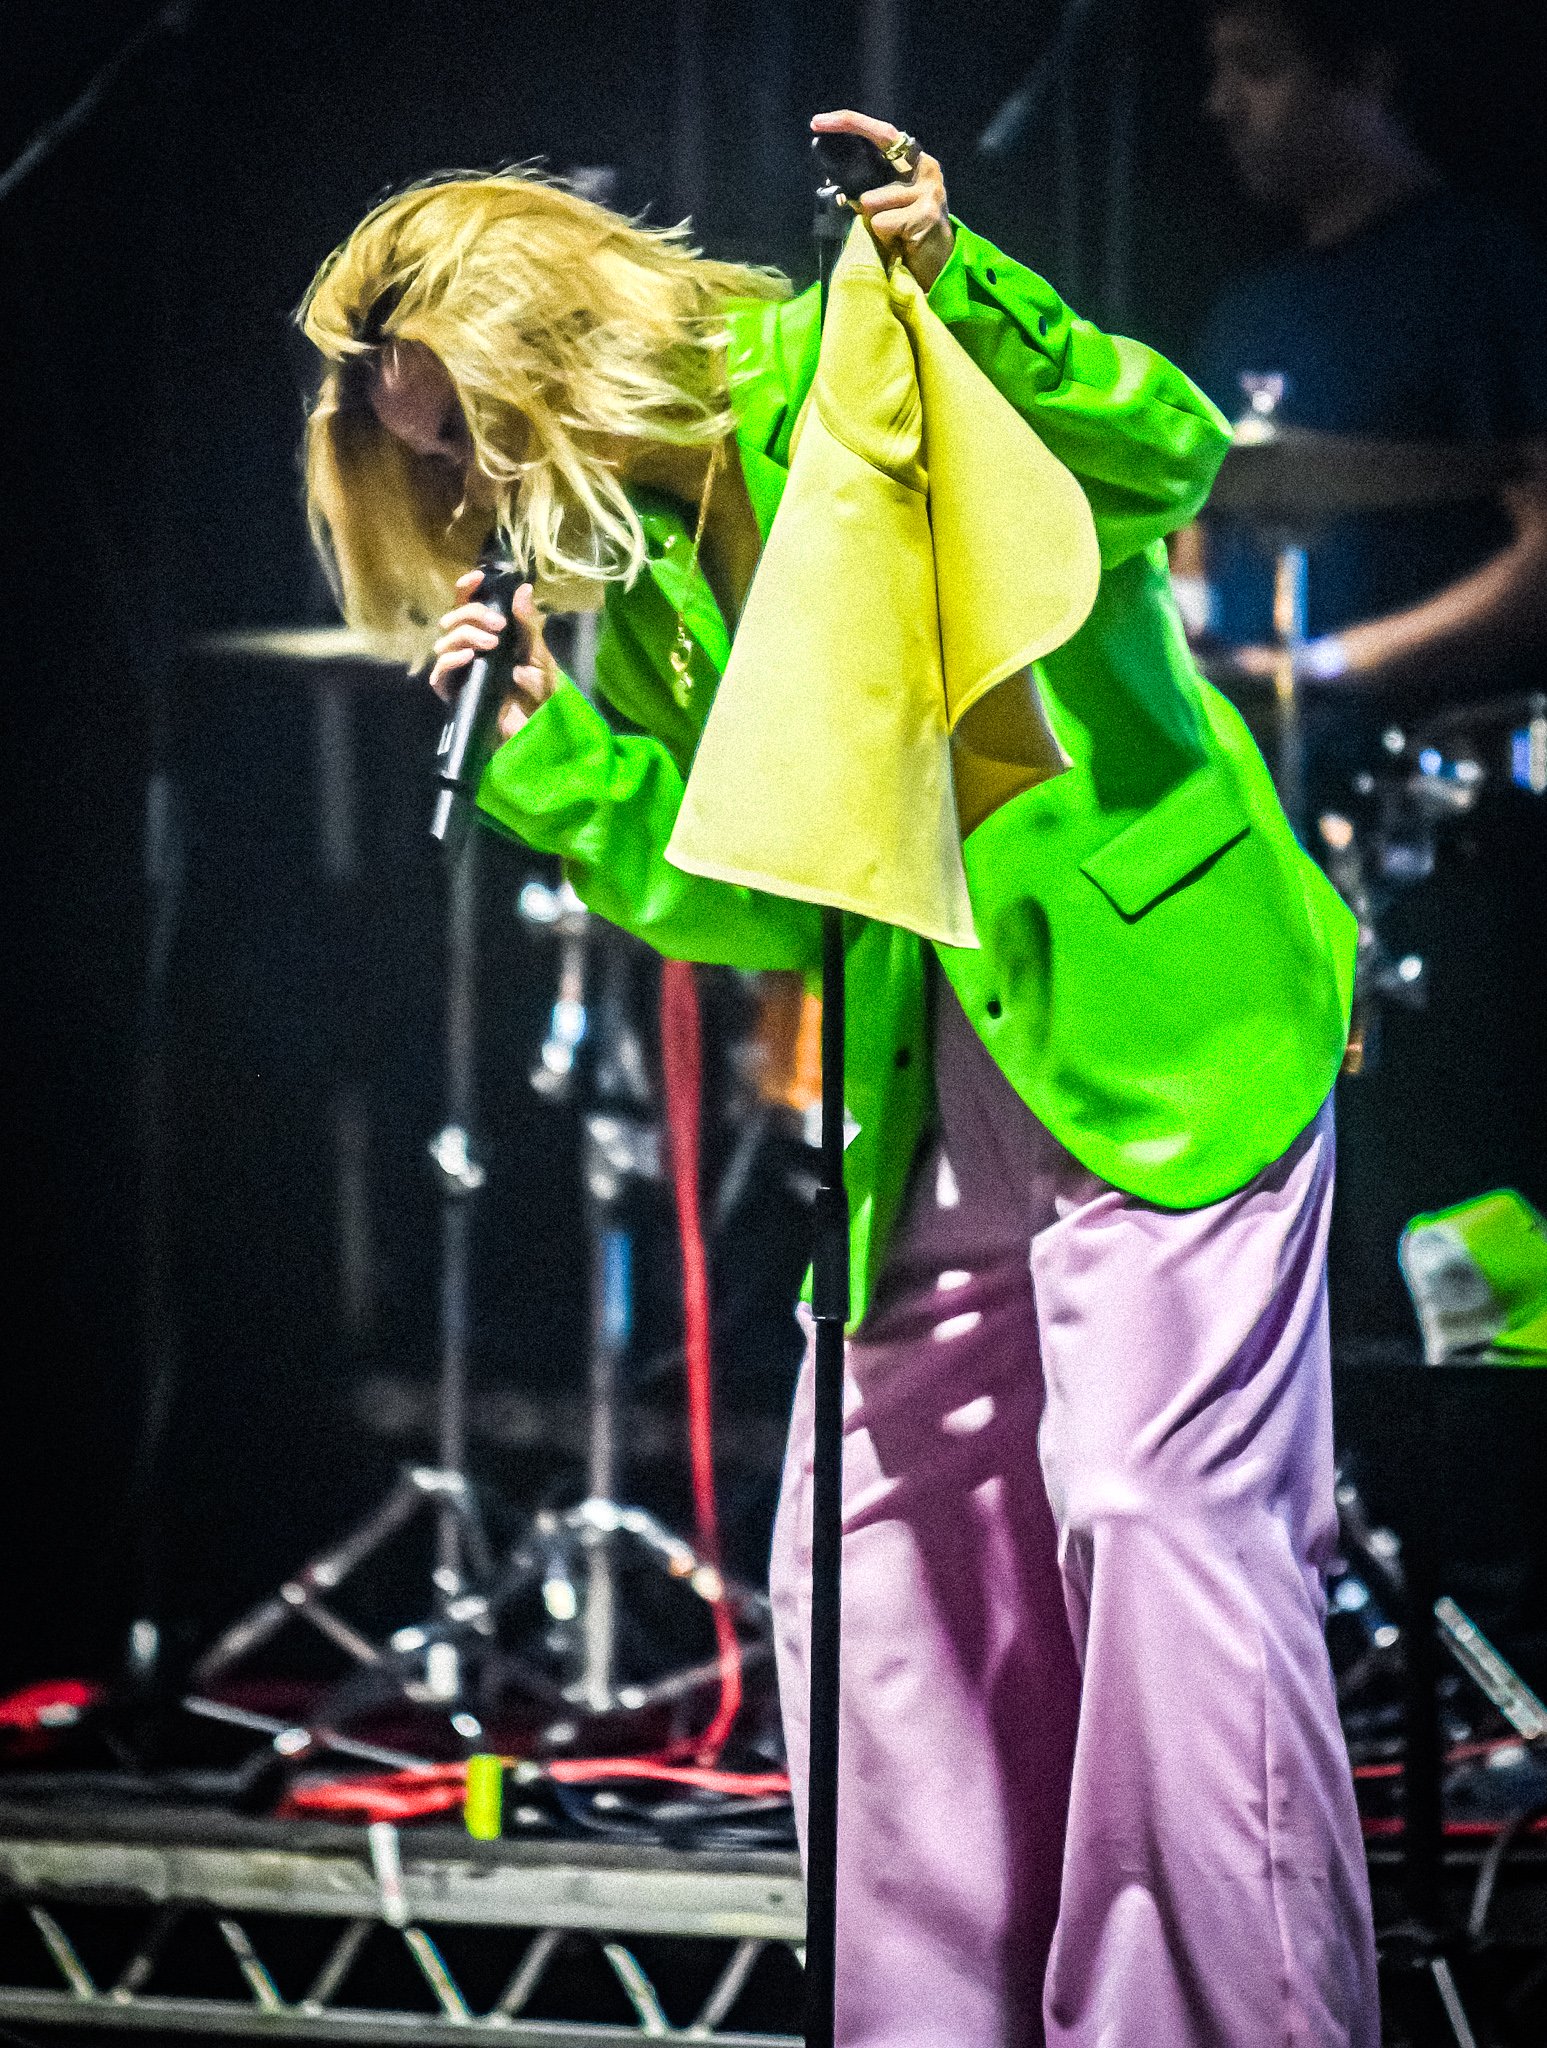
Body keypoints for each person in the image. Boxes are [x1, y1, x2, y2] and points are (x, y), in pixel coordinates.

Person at [299, 111, 1379, 2046]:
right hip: (918, 1066)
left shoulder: (849, 348)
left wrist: (968, 294)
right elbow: (742, 899)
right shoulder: (640, 597)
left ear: (554, 351)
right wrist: (548, 753)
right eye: (440, 471)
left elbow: (1164, 457)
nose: (479, 496)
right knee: (869, 1573)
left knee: (1150, 1524)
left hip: (1163, 1002)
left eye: (472, 440)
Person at [1188, 0, 1547, 1339]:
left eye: (1261, 69)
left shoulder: (1483, 271)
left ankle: (1493, 1522)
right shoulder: (1247, 311)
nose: (1224, 104)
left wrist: (1326, 663)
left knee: (1461, 1210)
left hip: (1452, 821)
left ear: (1368, 76)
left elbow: (1544, 547)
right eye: (1217, 70)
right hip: (1266, 816)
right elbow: (1194, 542)